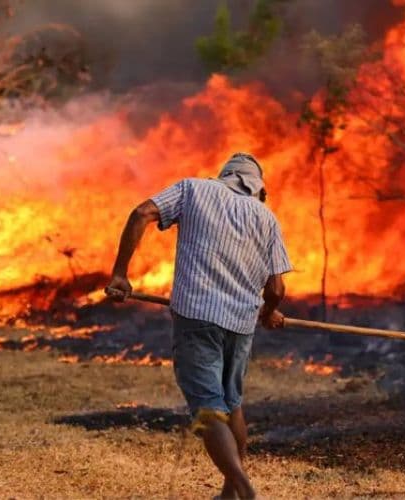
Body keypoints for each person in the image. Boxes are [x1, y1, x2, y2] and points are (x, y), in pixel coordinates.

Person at [106, 152, 292, 499]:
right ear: (257, 188)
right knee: (231, 403)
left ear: (224, 176)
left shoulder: (193, 190)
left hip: (197, 317)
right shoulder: (266, 218)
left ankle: (244, 488)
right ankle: (229, 493)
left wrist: (120, 273)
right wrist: (268, 312)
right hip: (240, 325)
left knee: (208, 406)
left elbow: (142, 212)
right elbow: (277, 289)